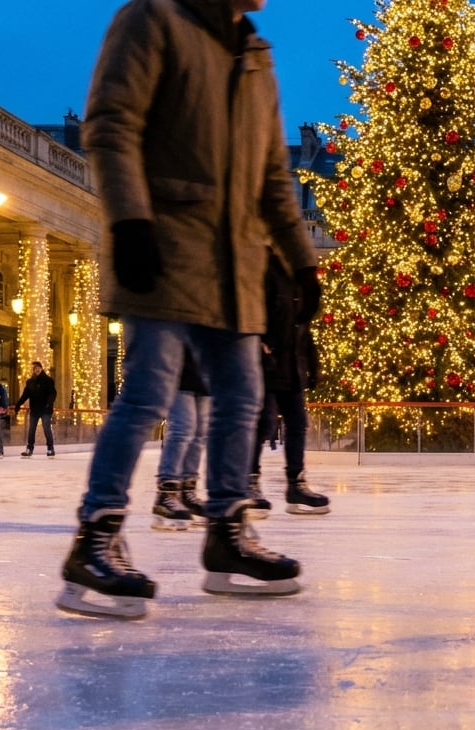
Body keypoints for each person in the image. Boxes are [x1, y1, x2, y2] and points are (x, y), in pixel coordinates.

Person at [55, 0, 319, 619]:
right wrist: (130, 220)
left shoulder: (255, 54)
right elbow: (111, 123)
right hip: (166, 244)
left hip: (236, 263)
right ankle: (95, 536)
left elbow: (273, 177)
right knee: (147, 393)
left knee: (242, 398)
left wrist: (300, 258)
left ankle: (227, 533)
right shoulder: (153, 18)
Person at [250, 249, 330, 516]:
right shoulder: (263, 267)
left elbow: (303, 326)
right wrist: (261, 343)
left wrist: (311, 364)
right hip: (267, 362)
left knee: (298, 422)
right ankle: (248, 483)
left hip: (291, 363)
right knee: (264, 422)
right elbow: (258, 311)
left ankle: (296, 484)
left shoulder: (297, 276)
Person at [150, 350, 210, 531]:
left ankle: (187, 492)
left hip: (206, 368)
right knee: (182, 428)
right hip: (178, 365)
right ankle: (166, 494)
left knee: (200, 432)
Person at [13, 361, 57, 458]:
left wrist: (49, 402)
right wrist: (18, 405)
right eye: (34, 368)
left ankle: (50, 449)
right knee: (31, 429)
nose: (36, 369)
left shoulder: (48, 380)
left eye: (38, 367)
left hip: (45, 409)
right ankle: (29, 449)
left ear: (41, 368)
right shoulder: (30, 382)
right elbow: (25, 395)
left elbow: (52, 393)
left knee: (46, 428)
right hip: (35, 410)